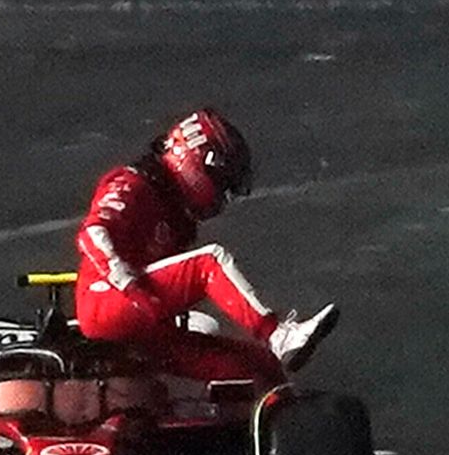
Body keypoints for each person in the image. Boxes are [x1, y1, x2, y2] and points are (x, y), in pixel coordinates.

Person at [74, 109, 338, 386]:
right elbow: (92, 234)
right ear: (196, 164)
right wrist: (128, 285)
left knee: (259, 367)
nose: (222, 194)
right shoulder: (131, 185)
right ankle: (277, 335)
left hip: (145, 322)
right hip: (108, 303)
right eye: (221, 182)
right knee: (209, 262)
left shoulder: (172, 212)